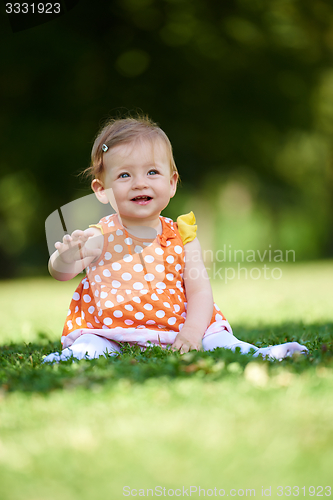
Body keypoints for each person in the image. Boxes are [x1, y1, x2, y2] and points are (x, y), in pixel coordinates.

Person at [44, 116, 308, 363]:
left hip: (178, 325)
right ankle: (75, 355)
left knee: (217, 339)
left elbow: (200, 291)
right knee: (93, 347)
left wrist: (192, 331)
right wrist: (65, 257)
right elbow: (62, 273)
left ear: (171, 184)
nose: (139, 183)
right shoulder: (100, 236)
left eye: (152, 173)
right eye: (125, 175)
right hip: (112, 331)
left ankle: (262, 354)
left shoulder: (182, 236)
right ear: (102, 191)